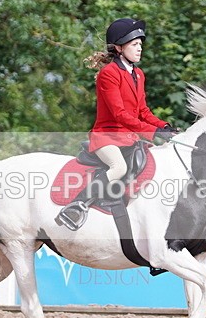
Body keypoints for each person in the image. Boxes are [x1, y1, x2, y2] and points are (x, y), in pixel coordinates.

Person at [56, 18, 178, 229]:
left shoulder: (138, 74)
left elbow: (142, 111)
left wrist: (163, 126)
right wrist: (153, 132)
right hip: (106, 137)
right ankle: (77, 205)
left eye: (140, 44)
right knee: (118, 167)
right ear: (119, 48)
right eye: (134, 44)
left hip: (129, 138)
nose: (140, 48)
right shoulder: (108, 74)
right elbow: (120, 114)